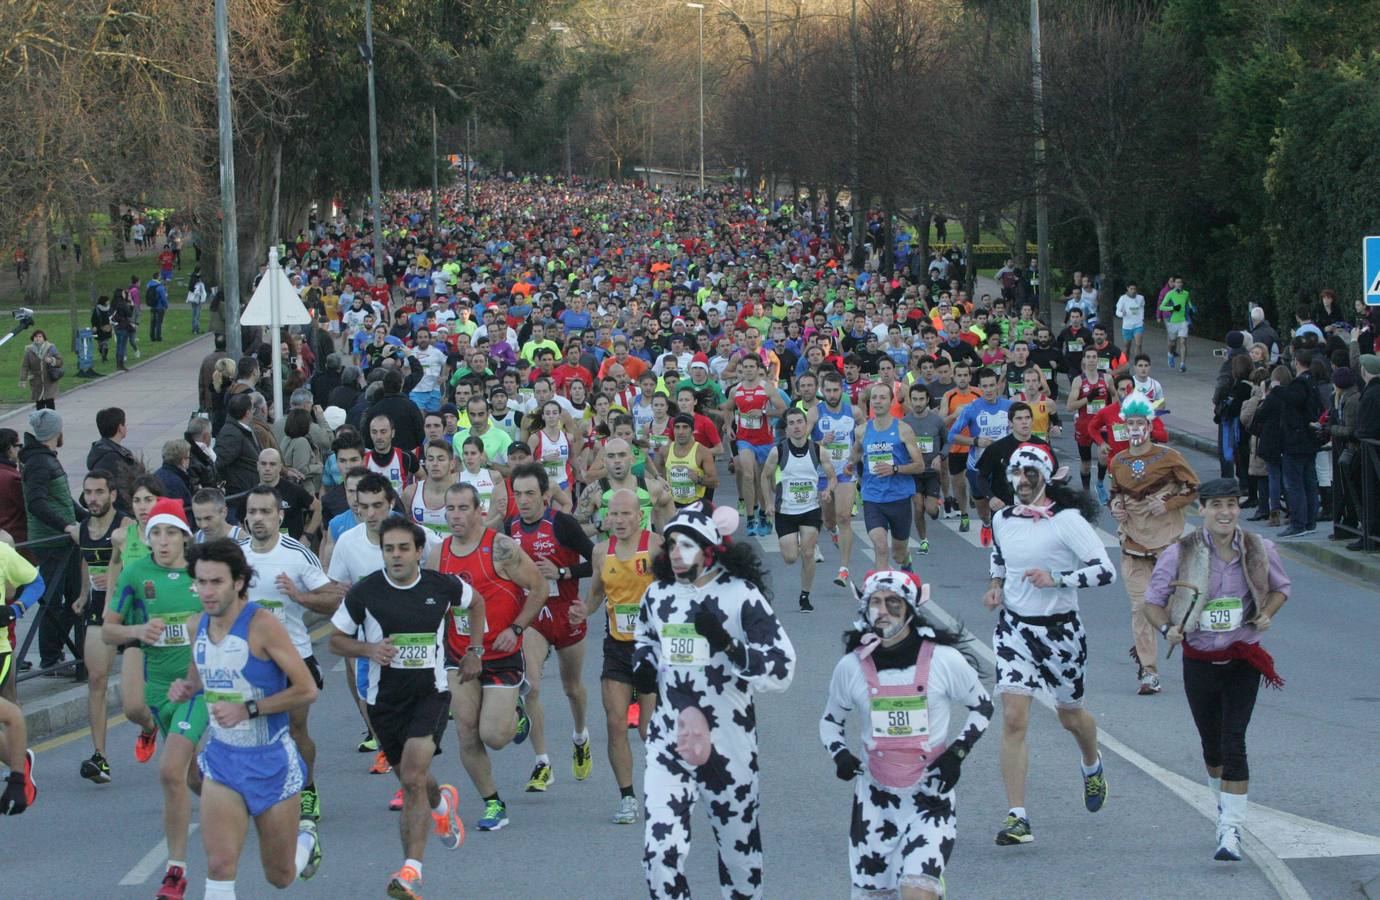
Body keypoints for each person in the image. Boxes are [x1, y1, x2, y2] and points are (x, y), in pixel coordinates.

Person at [633, 501, 796, 899]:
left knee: (740, 859)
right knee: (660, 852)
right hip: (670, 742)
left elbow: (782, 669)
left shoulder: (741, 596)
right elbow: (645, 638)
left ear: (709, 550)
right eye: (671, 544)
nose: (675, 553)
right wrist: (643, 663)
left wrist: (727, 643)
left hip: (729, 746)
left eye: (686, 545)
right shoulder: (657, 594)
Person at [821, 570, 992, 900]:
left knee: (915, 891)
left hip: (929, 798)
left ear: (911, 609)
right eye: (875, 602)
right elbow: (830, 721)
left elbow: (982, 706)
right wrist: (839, 754)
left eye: (892, 603)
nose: (881, 611)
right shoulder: (851, 667)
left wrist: (956, 754)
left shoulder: (944, 660)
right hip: (874, 802)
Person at [167, 538, 323, 898]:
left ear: (238, 581)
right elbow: (199, 675)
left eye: (216, 582)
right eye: (200, 582)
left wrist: (248, 709)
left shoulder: (262, 625)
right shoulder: (196, 626)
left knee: (280, 875)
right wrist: (187, 688)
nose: (206, 591)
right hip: (223, 761)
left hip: (271, 761)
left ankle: (306, 842)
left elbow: (306, 689)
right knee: (220, 864)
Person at [1145, 478, 1290, 862]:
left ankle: (1231, 829)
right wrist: (1167, 629)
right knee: (1211, 745)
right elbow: (1152, 603)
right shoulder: (1179, 553)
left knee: (1233, 741)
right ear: (1202, 510)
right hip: (1199, 660)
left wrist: (1266, 614)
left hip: (1243, 657)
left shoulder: (1260, 548)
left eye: (1232, 505)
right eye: (1218, 505)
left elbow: (1281, 589)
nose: (1226, 513)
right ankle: (1223, 809)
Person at [983, 443, 1117, 846]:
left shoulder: (1067, 521)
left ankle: (1092, 765)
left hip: (1061, 634)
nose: (1021, 483)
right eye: (1016, 475)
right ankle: (1017, 817)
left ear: (1045, 477)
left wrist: (1059, 579)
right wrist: (995, 586)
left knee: (1070, 717)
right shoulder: (1003, 518)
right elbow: (1000, 559)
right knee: (1012, 717)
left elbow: (1105, 571)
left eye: (1030, 475)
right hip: (1015, 630)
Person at [328, 516, 469, 899]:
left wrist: (473, 649)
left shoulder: (443, 586)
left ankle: (411, 871)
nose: (396, 555)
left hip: (431, 694)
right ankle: (442, 803)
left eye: (404, 548)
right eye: (389, 548)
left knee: (410, 777)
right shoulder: (366, 592)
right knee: (414, 779)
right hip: (384, 702)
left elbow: (476, 603)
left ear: (419, 552)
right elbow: (335, 640)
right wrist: (368, 649)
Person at [102, 498, 208, 900]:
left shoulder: (203, 575)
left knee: (170, 771)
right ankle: (231, 801)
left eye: (170, 533)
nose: (162, 541)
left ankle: (175, 871)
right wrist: (137, 631)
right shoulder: (135, 574)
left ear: (184, 536)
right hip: (158, 692)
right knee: (191, 777)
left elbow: (233, 619)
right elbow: (108, 630)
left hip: (197, 690)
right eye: (155, 534)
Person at [428, 481, 546, 832]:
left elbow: (538, 587)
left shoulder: (500, 549)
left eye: (463, 508)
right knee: (466, 733)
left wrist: (518, 629)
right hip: (459, 656)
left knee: (493, 736)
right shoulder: (440, 554)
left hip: (501, 653)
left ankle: (516, 715)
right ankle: (493, 802)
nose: (456, 516)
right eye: (450, 509)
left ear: (479, 511)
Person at [237, 485, 344, 823]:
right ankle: (264, 792)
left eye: (265, 512)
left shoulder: (296, 553)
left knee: (296, 730)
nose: (258, 518)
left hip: (294, 657)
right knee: (253, 732)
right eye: (252, 512)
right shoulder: (234, 556)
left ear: (279, 516)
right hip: (249, 662)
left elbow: (333, 599)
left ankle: (307, 790)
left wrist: (300, 597)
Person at [569, 489, 660, 824]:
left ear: (639, 515)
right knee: (615, 723)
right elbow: (595, 594)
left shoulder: (654, 546)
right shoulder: (599, 552)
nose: (619, 520)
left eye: (626, 514)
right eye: (613, 514)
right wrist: (584, 610)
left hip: (651, 648)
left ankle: (666, 786)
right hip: (618, 649)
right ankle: (628, 799)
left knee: (649, 730)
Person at [505, 463, 597, 792]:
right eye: (518, 494)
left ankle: (580, 735)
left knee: (572, 688)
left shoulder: (564, 525)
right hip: (533, 617)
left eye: (530, 493)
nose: (524, 500)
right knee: (530, 684)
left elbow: (597, 560)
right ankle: (542, 762)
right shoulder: (510, 527)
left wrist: (563, 574)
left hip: (566, 614)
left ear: (546, 495)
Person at [1106, 394, 1200, 695]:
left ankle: (1201, 658)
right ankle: (1149, 671)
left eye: (1140, 423)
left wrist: (1170, 503)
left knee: (1174, 607)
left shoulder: (1168, 457)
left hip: (1167, 546)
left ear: (1149, 425)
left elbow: (1194, 488)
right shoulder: (1118, 461)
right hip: (1133, 546)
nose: (1135, 429)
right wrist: (1115, 508)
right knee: (1140, 608)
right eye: (1129, 423)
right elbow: (1114, 494)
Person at [74, 469, 132, 784]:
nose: (92, 499)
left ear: (112, 494)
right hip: (99, 610)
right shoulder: (81, 529)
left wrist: (116, 578)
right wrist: (84, 594)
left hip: (132, 611)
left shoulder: (125, 526)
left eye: (98, 492)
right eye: (88, 492)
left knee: (142, 697)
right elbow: (85, 559)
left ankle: (148, 725)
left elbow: (139, 562)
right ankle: (100, 757)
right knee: (97, 679)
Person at [19, 408, 82, 673]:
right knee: (54, 601)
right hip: (51, 542)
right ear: (56, 432)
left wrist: (89, 518)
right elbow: (36, 503)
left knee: (77, 598)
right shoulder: (39, 463)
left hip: (62, 541)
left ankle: (62, 655)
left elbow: (62, 499)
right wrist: (67, 525)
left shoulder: (45, 459)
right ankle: (52, 658)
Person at [760, 407, 835, 612]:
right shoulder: (779, 451)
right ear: (786, 428)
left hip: (810, 509)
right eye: (791, 423)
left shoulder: (819, 450)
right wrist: (767, 502)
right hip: (785, 511)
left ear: (805, 424)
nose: (796, 427)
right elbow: (764, 476)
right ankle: (800, 543)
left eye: (799, 422)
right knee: (791, 557)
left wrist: (828, 490)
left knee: (809, 553)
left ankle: (805, 596)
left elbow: (832, 476)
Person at [855, 382, 925, 569]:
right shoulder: (861, 431)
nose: (877, 402)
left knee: (898, 554)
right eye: (874, 398)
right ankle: (881, 591)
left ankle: (906, 561)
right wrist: (847, 467)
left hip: (898, 497)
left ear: (891, 401)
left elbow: (919, 465)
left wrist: (894, 469)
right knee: (880, 546)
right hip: (872, 497)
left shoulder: (903, 429)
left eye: (882, 398)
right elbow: (855, 456)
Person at [946, 367, 1013, 547]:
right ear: (980, 387)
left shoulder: (1009, 406)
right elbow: (951, 436)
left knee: (1005, 508)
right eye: (985, 386)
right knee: (983, 509)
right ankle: (985, 524)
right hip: (978, 467)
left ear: (998, 385)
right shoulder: (971, 409)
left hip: (1003, 466)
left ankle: (1003, 542)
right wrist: (975, 441)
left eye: (992, 385)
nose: (989, 390)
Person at [722, 354, 786, 535]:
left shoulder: (768, 389)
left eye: (752, 367)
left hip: (765, 441)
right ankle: (751, 517)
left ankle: (765, 515)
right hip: (745, 440)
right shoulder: (736, 391)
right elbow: (727, 408)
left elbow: (783, 411)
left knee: (764, 480)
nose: (748, 370)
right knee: (748, 476)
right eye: (745, 367)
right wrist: (728, 426)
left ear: (759, 369)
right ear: (740, 370)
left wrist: (764, 412)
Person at [0, 540, 42, 813]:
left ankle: (18, 768)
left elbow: (37, 583)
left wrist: (16, 609)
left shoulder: (2, 552)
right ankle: (18, 758)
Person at [808, 370, 860, 583]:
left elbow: (866, 435)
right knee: (829, 520)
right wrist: (822, 443)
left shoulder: (854, 412)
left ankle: (844, 569)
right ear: (822, 391)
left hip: (846, 472)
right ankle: (832, 530)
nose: (831, 394)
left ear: (842, 390)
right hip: (823, 474)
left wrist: (857, 460)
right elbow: (803, 442)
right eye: (827, 390)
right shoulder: (814, 412)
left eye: (835, 390)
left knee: (844, 517)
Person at [19, 330, 61, 410]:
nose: (37, 338)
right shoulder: (29, 351)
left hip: (49, 381)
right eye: (35, 337)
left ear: (44, 338)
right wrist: (22, 380)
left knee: (50, 404)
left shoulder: (51, 348)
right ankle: (41, 422)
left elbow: (60, 362)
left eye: (40, 336)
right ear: (33, 338)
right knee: (39, 405)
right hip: (36, 382)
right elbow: (25, 366)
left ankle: (51, 421)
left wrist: (52, 360)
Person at [1159, 276, 1192, 372]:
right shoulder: (1170, 294)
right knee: (1172, 342)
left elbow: (1189, 303)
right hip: (1173, 321)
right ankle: (1170, 354)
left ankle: (1182, 364)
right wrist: (1172, 308)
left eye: (1180, 282)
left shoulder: (1186, 293)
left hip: (1183, 321)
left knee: (1183, 342)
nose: (1179, 284)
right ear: (1174, 284)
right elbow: (1161, 307)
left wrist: (1191, 308)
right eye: (1177, 282)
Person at [1115, 282, 1146, 358]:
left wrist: (1142, 318)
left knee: (1138, 344)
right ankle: (1126, 364)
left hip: (1138, 324)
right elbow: (1117, 311)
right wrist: (1122, 314)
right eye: (1131, 289)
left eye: (1135, 289)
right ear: (1127, 289)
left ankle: (1138, 362)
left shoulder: (1140, 298)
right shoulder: (1123, 298)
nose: (1133, 291)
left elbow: (1142, 308)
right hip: (1127, 326)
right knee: (1127, 347)